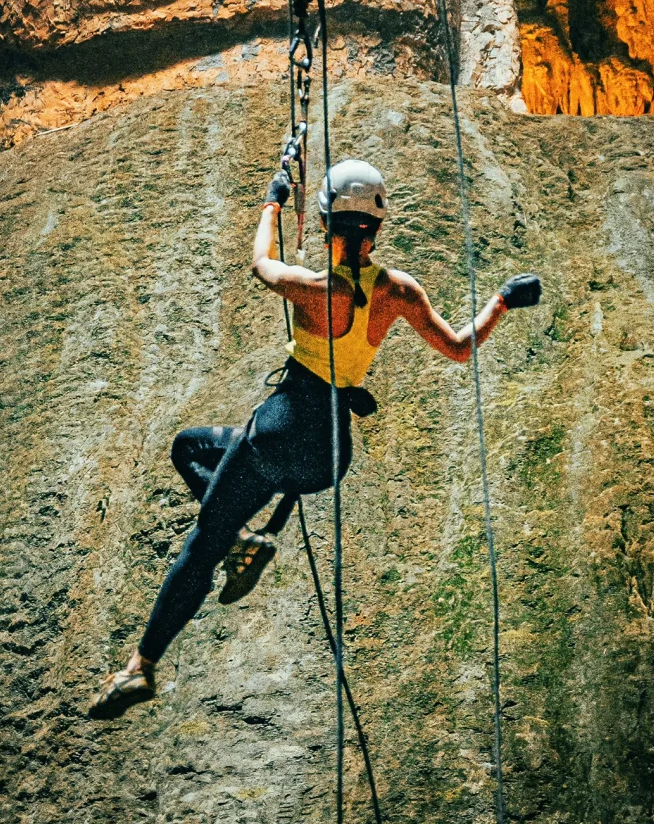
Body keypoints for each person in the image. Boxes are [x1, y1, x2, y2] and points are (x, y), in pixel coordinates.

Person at [87, 159, 541, 718]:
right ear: (378, 227)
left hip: (278, 431)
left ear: (326, 222)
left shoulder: (314, 289)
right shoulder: (399, 291)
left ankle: (142, 666)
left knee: (203, 530)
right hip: (328, 454)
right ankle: (246, 540)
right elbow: (460, 348)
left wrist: (272, 204)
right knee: (199, 450)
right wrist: (500, 301)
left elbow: (260, 263)